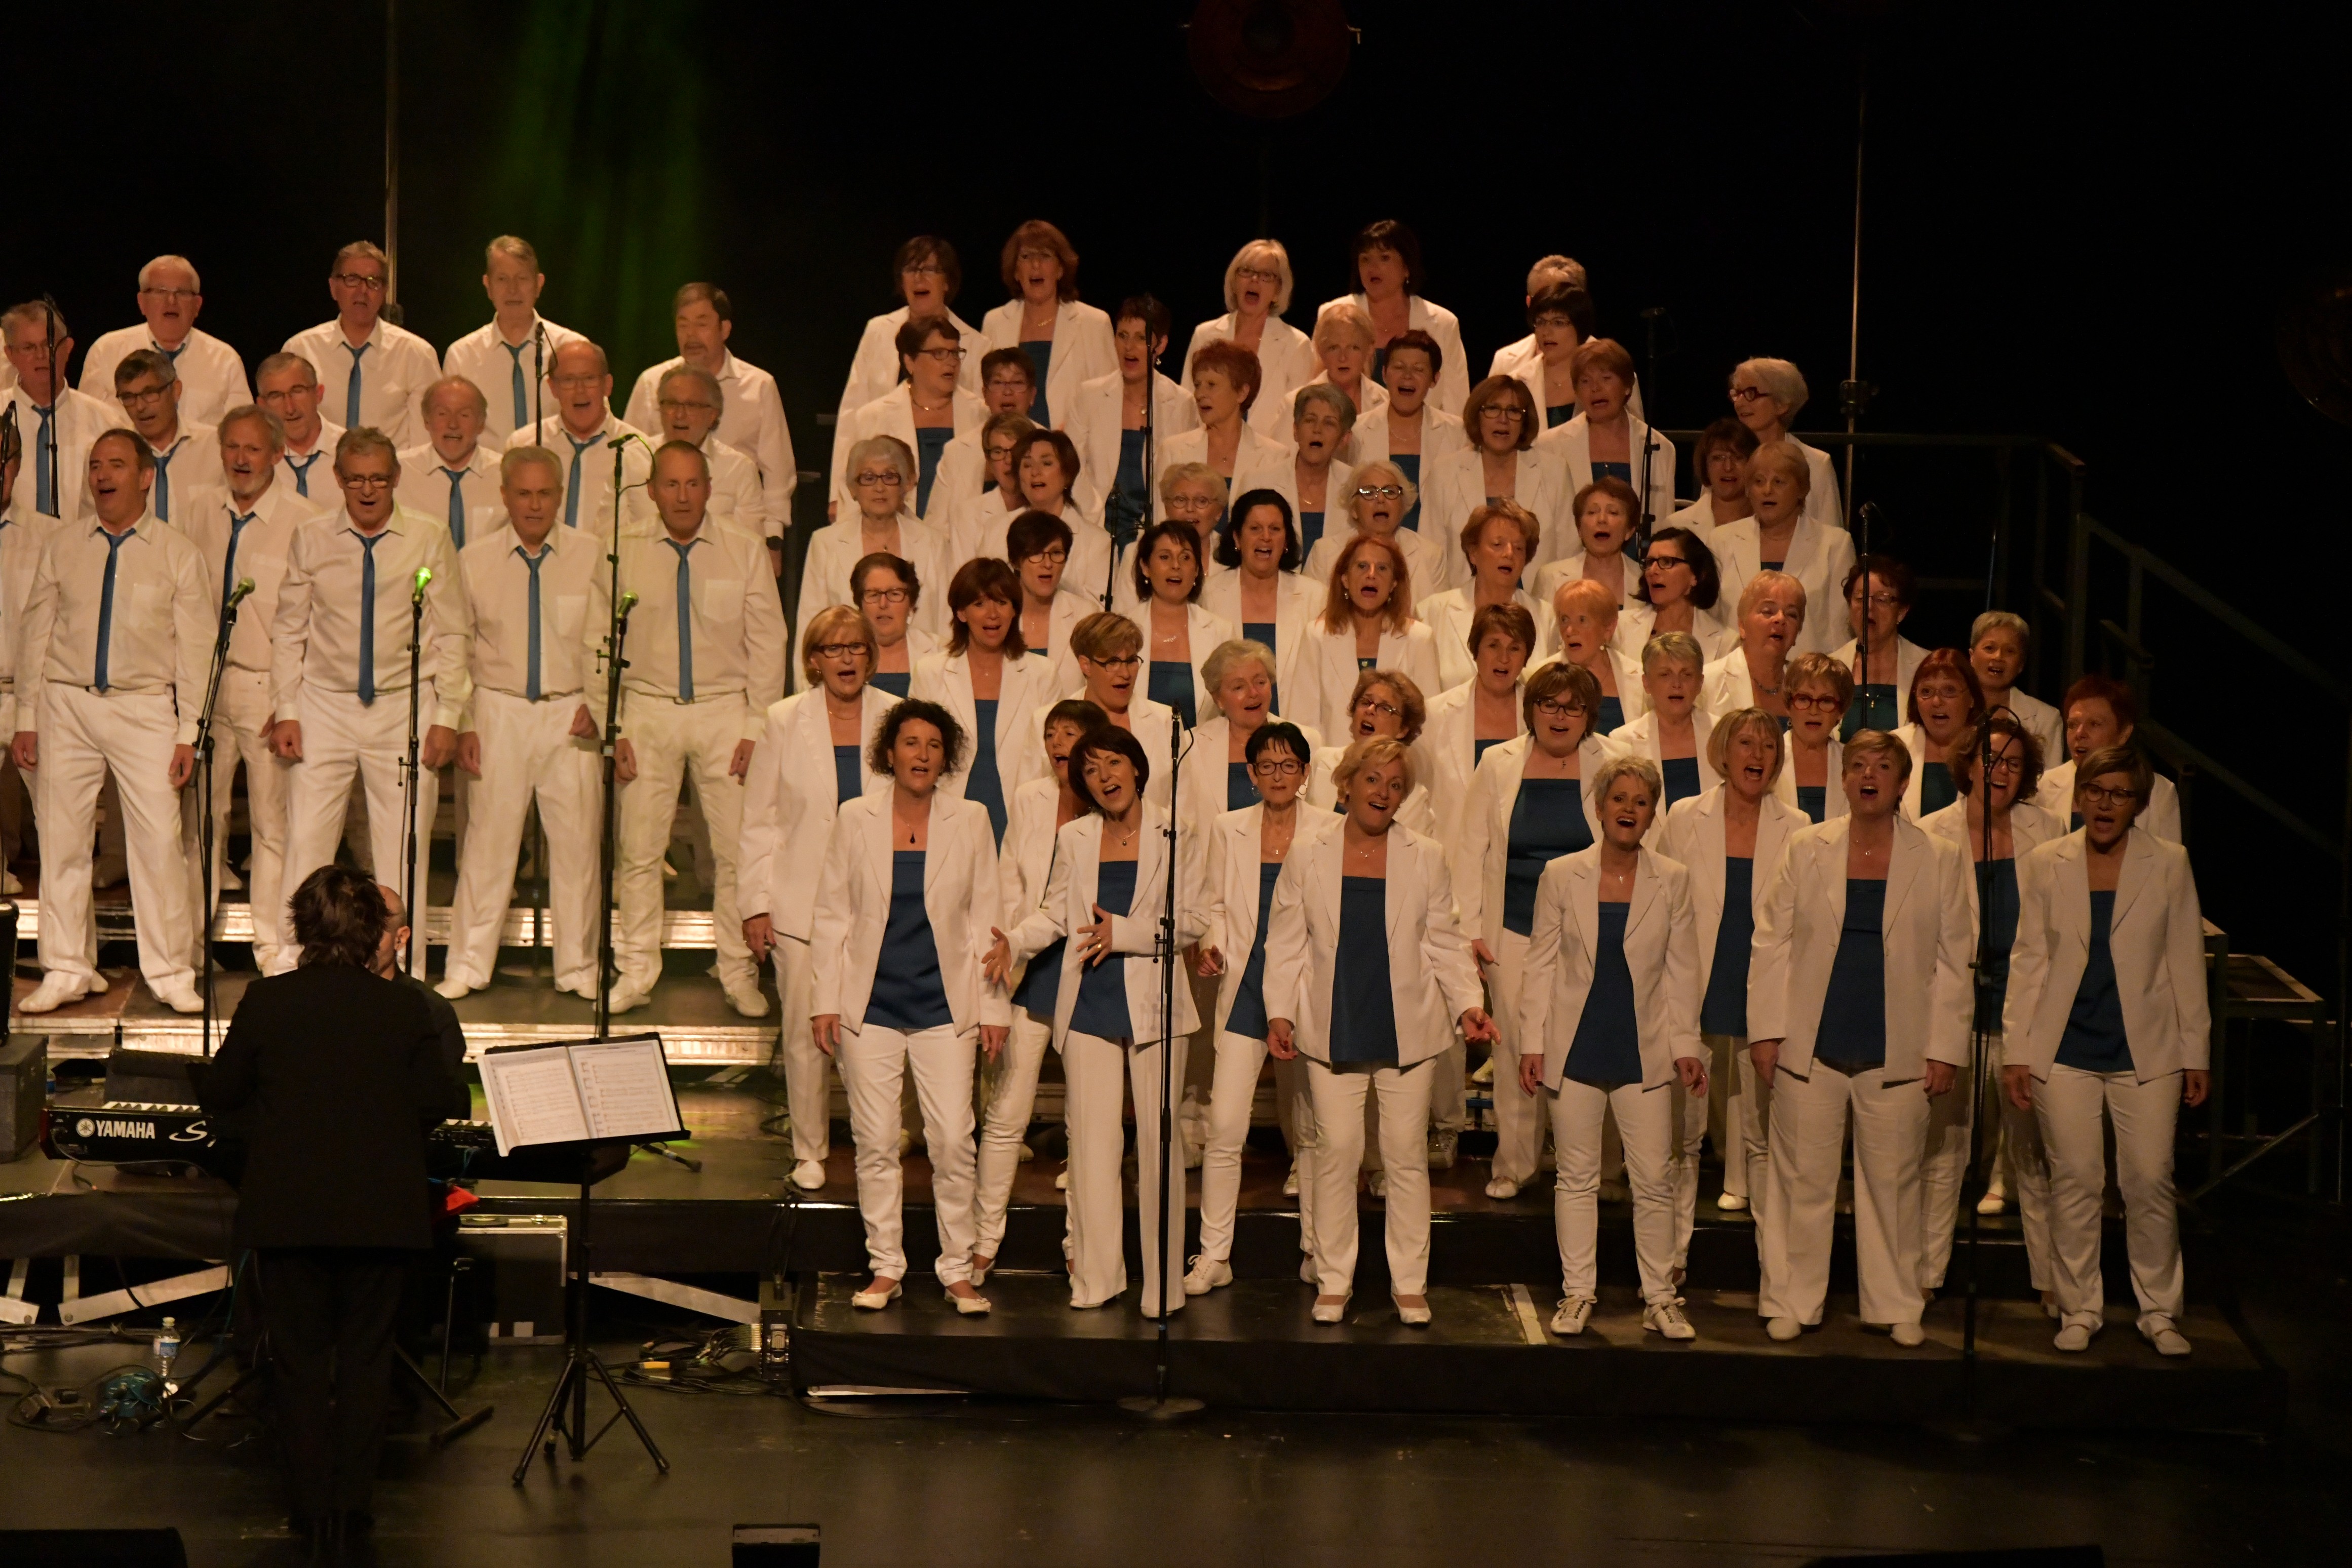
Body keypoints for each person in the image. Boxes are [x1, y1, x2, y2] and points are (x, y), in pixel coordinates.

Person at [200, 865, 455, 1550]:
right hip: (381, 1215)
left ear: (302, 927)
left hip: (292, 1214)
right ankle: (353, 1507)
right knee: (368, 1360)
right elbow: (440, 1100)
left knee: (300, 1362)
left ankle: (311, 1508)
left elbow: (222, 1093)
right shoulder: (404, 1008)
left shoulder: (267, 1001)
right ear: (375, 931)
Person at [1747, 728, 1973, 1347]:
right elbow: (1771, 941)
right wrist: (1766, 1032)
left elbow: (1956, 958)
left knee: (1893, 1183)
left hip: (1898, 1047)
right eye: (1858, 766)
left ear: (1903, 783)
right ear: (1843, 779)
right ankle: (1792, 1299)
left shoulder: (1939, 856)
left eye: (1882, 766)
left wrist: (1945, 1047)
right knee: (1802, 1179)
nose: (1869, 775)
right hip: (1811, 1044)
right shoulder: (1806, 847)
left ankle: (1895, 1303)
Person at [1264, 737, 1493, 1325]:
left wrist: (1468, 1003)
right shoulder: (1308, 853)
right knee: (1338, 1153)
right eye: (1373, 780)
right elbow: (1286, 942)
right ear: (1347, 785)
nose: (1384, 793)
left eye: (1395, 785)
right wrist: (1280, 1012)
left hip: (1406, 1029)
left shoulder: (1426, 855)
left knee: (1404, 1156)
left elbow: (1444, 941)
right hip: (1333, 1024)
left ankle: (1409, 1282)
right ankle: (1334, 1278)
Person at [985, 724, 1208, 1315]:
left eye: (1113, 762)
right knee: (1091, 1147)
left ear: (1136, 767)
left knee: (1158, 1147)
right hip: (1088, 999)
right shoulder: (1076, 836)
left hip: (1155, 1004)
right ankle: (1098, 1279)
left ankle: (1163, 1289)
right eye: (1091, 769)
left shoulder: (1177, 831)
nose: (1105, 776)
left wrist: (1125, 934)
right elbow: (1056, 913)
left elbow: (1194, 919)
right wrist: (1016, 941)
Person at [2003, 746, 2209, 1357]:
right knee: (2075, 1180)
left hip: (2146, 1050)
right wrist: (2017, 1050)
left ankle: (2159, 1311)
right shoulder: (2048, 861)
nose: (2105, 804)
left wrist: (2196, 1052)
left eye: (2119, 794)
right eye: (2095, 791)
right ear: (2079, 797)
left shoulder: (2168, 863)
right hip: (2064, 1047)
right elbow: (2029, 958)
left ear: (2138, 804)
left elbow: (2184, 960)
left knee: (2148, 1179)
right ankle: (2080, 1307)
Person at [811, 699, 1007, 1314]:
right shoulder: (855, 816)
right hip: (869, 1004)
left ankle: (957, 1268)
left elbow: (988, 917)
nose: (922, 755)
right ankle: (886, 1266)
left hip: (945, 1005)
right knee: (874, 1142)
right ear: (889, 753)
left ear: (946, 758)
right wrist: (824, 1001)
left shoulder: (971, 818)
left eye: (933, 745)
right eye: (911, 743)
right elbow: (832, 914)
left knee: (952, 1140)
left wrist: (994, 1010)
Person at [13, 430, 211, 1013]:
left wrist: (189, 732)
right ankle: (67, 968)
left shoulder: (178, 553)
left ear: (146, 477)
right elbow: (36, 633)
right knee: (62, 841)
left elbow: (196, 651)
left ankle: (171, 971)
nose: (102, 474)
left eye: (117, 464)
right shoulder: (64, 545)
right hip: (66, 703)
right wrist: (27, 716)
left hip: (144, 706)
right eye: (96, 465)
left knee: (158, 844)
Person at [1518, 753, 1705, 1339]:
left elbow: (1682, 970)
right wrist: (1532, 1042)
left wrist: (1686, 1045)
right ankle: (1578, 1293)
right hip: (1574, 1046)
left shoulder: (1672, 879)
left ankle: (1660, 1297)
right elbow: (1541, 963)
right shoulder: (1561, 875)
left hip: (1642, 1048)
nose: (1629, 809)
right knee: (1576, 1178)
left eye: (1641, 801)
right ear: (1600, 808)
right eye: (1619, 799)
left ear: (1652, 814)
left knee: (1653, 1179)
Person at [268, 428, 466, 979]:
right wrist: (286, 709)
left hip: (403, 706)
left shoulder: (428, 537)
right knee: (307, 842)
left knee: (403, 849)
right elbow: (289, 629)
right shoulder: (312, 537)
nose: (368, 490)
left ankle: (406, 971)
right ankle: (296, 967)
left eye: (379, 478)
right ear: (338, 479)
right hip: (324, 705)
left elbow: (453, 631)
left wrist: (448, 715)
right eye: (356, 479)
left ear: (397, 477)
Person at [601, 441, 788, 1014]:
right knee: (639, 851)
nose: (682, 496)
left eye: (692, 484)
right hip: (647, 708)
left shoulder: (743, 547)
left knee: (735, 852)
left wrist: (756, 726)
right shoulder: (623, 550)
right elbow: (598, 640)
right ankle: (636, 970)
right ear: (652, 490)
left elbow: (769, 640)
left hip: (724, 709)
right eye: (671, 484)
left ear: (709, 487)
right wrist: (614, 724)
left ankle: (738, 971)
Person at [436, 447, 604, 1001]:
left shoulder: (591, 555)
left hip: (571, 712)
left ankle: (578, 966)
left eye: (545, 493)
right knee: (487, 845)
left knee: (577, 848)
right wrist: (463, 721)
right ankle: (468, 964)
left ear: (560, 496)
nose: (535, 505)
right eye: (524, 494)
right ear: (505, 496)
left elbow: (606, 638)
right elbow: (456, 643)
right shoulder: (474, 558)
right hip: (498, 709)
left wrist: (600, 705)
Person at [741, 607, 894, 1191]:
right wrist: (755, 904)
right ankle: (810, 1148)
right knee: (807, 1035)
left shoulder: (896, 715)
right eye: (834, 649)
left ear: (870, 656)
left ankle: (880, 1141)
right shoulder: (784, 719)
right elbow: (761, 817)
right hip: (800, 902)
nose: (846, 658)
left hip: (875, 901)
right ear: (814, 660)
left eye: (856, 647)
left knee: (874, 1030)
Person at [1919, 712, 2062, 1305]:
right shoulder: (1931, 832)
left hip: (2023, 1013)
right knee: (1944, 1150)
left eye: (2013, 763)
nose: (1999, 771)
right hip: (1955, 1012)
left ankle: (2053, 1283)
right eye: (1990, 759)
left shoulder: (2047, 830)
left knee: (2032, 1153)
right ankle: (1925, 1276)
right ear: (1968, 764)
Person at [1454, 661, 1611, 1198]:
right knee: (1516, 1048)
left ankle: (1594, 1169)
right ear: (1531, 709)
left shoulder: (1611, 761)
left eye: (1573, 707)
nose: (1560, 716)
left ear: (1589, 715)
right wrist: (1472, 928)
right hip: (1514, 928)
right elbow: (1471, 848)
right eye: (1549, 704)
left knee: (1590, 1042)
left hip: (1589, 930)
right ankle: (1515, 1165)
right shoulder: (1498, 763)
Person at [182, 406, 323, 971]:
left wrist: (289, 699)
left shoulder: (304, 521)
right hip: (206, 684)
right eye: (232, 447)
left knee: (272, 826)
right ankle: (191, 948)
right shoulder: (198, 510)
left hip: (268, 687)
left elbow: (314, 619)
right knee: (201, 823)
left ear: (277, 455)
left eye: (253, 449)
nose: (241, 459)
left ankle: (273, 949)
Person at [970, 698, 1106, 1276]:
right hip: (1029, 966)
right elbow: (1008, 877)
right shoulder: (1030, 798)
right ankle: (983, 1240)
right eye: (1051, 733)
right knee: (1006, 1114)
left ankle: (1081, 1246)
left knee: (1086, 1123)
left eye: (1069, 733)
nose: (1057, 743)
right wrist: (1006, 949)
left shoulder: (1113, 805)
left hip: (1088, 970)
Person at [1190, 720, 1325, 1292]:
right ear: (1251, 773)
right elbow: (1216, 902)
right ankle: (1214, 1254)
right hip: (1246, 986)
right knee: (1224, 1126)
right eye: (1267, 766)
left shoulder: (1329, 829)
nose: (1278, 775)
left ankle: (1318, 1250)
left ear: (1305, 772)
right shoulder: (1229, 828)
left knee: (1311, 1130)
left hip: (1305, 991)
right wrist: (1212, 944)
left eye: (1288, 765)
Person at [1658, 708, 1800, 1234]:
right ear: (1723, 751)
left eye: (1768, 746)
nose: (1757, 755)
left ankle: (1770, 1256)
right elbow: (1662, 901)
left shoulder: (1799, 827)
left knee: (1761, 1130)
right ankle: (1673, 1252)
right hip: (1696, 981)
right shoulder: (1684, 816)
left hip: (1762, 985)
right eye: (1746, 743)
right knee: (1685, 1131)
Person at [623, 282, 797, 525]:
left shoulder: (759, 386)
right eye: (683, 325)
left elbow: (778, 473)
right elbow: (632, 456)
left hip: (735, 521)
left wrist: (773, 535)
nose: (691, 335)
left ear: (725, 329)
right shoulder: (652, 382)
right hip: (660, 521)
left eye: (701, 324)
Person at [912, 558, 1057, 843]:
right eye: (980, 604)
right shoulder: (930, 672)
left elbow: (1051, 754)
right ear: (961, 613)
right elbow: (918, 749)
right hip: (949, 811)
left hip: (1020, 814)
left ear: (1014, 610)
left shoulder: (1043, 673)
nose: (993, 615)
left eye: (1002, 603)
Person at [798, 437, 953, 665]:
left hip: (923, 672)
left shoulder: (934, 543)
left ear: (904, 485)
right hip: (847, 673)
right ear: (853, 488)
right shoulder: (825, 543)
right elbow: (810, 626)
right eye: (868, 478)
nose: (880, 488)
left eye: (890, 477)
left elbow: (947, 622)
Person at [283, 242, 441, 448]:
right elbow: (282, 429)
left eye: (373, 282)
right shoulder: (300, 350)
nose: (363, 290)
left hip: (392, 468)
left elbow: (425, 444)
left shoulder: (416, 354)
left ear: (384, 292)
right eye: (352, 280)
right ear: (333, 288)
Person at [1709, 440, 1856, 658]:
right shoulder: (1721, 541)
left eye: (1779, 482)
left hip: (1808, 673)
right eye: (1759, 481)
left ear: (1802, 489)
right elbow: (1712, 623)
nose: (1767, 490)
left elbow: (1841, 631)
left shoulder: (1835, 545)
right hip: (1736, 670)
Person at [1287, 534, 1439, 743]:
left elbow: (1426, 728)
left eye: (1382, 568)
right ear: (1345, 579)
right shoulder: (1316, 636)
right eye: (1362, 566)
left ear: (1394, 584)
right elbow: (1303, 724)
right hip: (1331, 762)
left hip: (1395, 762)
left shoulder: (1419, 639)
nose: (1371, 575)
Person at [1065, 295, 1199, 529]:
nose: (1129, 347)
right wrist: (1093, 523)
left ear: (1161, 345)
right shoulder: (1089, 396)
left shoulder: (1181, 403)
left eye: (1141, 338)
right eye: (1123, 336)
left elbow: (1184, 478)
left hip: (1157, 529)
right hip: (1094, 524)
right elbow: (1072, 467)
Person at [833, 318, 986, 523]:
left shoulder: (980, 413)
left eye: (955, 353)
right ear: (910, 361)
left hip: (962, 532)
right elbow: (852, 490)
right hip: (893, 533)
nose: (952, 362)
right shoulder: (873, 417)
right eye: (939, 353)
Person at [439, 236, 585, 447]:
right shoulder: (463, 355)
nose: (513, 289)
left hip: (557, 466)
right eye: (502, 279)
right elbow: (450, 432)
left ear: (539, 284)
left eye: (522, 279)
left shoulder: (571, 349)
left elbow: (595, 421)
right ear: (488, 286)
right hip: (489, 468)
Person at [1421, 375, 1563, 589]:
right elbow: (1431, 556)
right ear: (1477, 416)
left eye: (1514, 411)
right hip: (1462, 602)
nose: (1503, 419)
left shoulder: (1555, 471)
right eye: (1493, 409)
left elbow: (1567, 552)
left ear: (1525, 421)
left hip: (1537, 601)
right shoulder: (1445, 472)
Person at [80, 254, 253, 426]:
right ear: (142, 303)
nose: (171, 301)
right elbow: (86, 423)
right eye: (160, 292)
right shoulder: (106, 351)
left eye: (182, 293)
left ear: (198, 305)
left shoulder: (226, 360)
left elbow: (244, 429)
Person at [1318, 219, 1470, 412]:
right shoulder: (1333, 313)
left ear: (1407, 267)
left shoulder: (1443, 323)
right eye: (1365, 259)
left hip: (1423, 430)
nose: (1372, 268)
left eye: (1384, 258)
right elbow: (1316, 386)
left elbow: (1457, 402)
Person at [976, 220, 1117, 429]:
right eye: (1026, 257)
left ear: (1060, 270)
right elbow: (983, 394)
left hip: (1073, 444)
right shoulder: (995, 322)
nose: (1036, 265)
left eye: (1045, 256)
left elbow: (1109, 397)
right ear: (1016, 271)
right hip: (1010, 443)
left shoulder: (1094, 323)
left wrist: (1066, 436)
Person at [1536, 339, 1677, 546]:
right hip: (1573, 562)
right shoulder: (1550, 446)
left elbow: (1664, 521)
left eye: (1606, 378)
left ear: (1627, 386)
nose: (1596, 388)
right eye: (1585, 381)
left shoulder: (1660, 447)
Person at [506, 339, 652, 533]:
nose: (580, 390)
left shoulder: (639, 449)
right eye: (568, 380)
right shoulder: (525, 445)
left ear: (608, 385)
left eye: (589, 379)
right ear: (553, 388)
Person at [1036, 612, 1178, 810]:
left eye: (1131, 661)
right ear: (1086, 665)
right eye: (1112, 662)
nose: (1125, 673)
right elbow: (1032, 802)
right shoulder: (1045, 721)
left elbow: (1184, 808)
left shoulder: (1167, 721)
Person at [837, 236, 992, 416]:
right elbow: (853, 407)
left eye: (929, 270)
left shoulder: (978, 346)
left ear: (947, 282)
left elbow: (980, 415)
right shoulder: (877, 330)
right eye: (910, 270)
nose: (919, 278)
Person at [1419, 604, 1535, 843]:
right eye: (1494, 645)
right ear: (1475, 650)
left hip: (1516, 852)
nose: (1504, 658)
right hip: (1450, 851)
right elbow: (1416, 797)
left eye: (1514, 648)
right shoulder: (1435, 714)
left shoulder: (1540, 716)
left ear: (1526, 657)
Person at [1200, 488, 1325, 705]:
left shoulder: (1316, 597)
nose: (1266, 537)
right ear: (1237, 538)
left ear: (1286, 541)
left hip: (1296, 721)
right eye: (1255, 528)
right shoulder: (1208, 594)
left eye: (1275, 529)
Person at [1180, 638, 1322, 827]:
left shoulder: (1306, 739)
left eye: (1260, 682)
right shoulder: (1191, 745)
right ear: (1218, 699)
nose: (1253, 693)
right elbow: (1183, 821)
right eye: (1239, 687)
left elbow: (1318, 817)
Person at [1110, 521, 1233, 729]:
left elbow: (1231, 708)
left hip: (1202, 748)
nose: (1176, 566)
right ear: (1145, 567)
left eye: (1185, 558)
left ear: (1196, 570)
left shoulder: (1221, 632)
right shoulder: (1119, 631)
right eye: (1165, 557)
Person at [1181, 240, 1318, 424]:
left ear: (1278, 291)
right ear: (1234, 282)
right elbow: (1187, 406)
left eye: (1266, 275)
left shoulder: (1297, 345)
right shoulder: (1204, 334)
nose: (1254, 279)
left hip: (1270, 443)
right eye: (1246, 271)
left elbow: (1298, 417)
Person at [2032, 673, 2183, 841]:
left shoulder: (2159, 791)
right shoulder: (2044, 786)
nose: (2079, 734)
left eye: (2094, 724)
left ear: (2124, 734)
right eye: (2073, 725)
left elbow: (2169, 856)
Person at [1418, 501, 1548, 694]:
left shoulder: (1547, 617)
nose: (1509, 554)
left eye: (1519, 548)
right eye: (1498, 545)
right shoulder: (1431, 613)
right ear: (1473, 553)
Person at [4, 302, 116, 525]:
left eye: (49, 345)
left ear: (68, 347)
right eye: (28, 347)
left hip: (84, 544)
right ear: (10, 354)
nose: (41, 355)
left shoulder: (107, 422)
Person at [1156, 340, 1293, 522]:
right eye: (1197, 385)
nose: (1199, 394)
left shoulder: (1274, 457)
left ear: (1242, 393)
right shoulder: (1173, 450)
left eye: (1211, 385)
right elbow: (1159, 520)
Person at [641, 364, 769, 538]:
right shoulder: (631, 459)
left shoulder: (739, 470)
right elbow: (614, 539)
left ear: (712, 415)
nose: (679, 415)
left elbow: (751, 545)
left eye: (691, 406)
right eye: (671, 404)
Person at [1256, 302, 1387, 461]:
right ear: (1320, 350)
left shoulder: (1385, 403)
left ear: (1369, 350)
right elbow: (1281, 465)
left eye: (1354, 348)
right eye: (1334, 348)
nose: (1343, 358)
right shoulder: (1294, 404)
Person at [1728, 357, 1843, 531]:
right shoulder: (1724, 459)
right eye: (1737, 393)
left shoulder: (1816, 463)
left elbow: (1832, 535)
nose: (1739, 403)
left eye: (1751, 393)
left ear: (1782, 404)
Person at [1303, 459, 1444, 598]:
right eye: (1369, 493)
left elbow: (1440, 611)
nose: (1381, 499)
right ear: (1354, 509)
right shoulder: (1324, 554)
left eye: (1390, 492)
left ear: (1402, 506)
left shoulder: (1430, 555)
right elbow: (1310, 608)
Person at [1606, 633, 1717, 808]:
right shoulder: (1623, 742)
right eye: (1665, 675)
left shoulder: (1723, 735)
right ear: (1646, 683)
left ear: (1700, 682)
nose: (1677, 684)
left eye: (1687, 675)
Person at [112, 347, 222, 523]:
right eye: (128, 397)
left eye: (150, 394)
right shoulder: (113, 456)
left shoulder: (216, 446)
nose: (140, 407)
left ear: (176, 391)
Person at [393, 375, 501, 548]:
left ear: (481, 424)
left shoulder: (505, 475)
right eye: (442, 414)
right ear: (426, 421)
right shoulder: (398, 472)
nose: (453, 424)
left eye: (464, 415)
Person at [1834, 555, 1930, 736]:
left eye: (1881, 599)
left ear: (1901, 612)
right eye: (1860, 598)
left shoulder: (1925, 667)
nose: (1868, 607)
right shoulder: (1831, 666)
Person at [1699, 570, 1806, 727]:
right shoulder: (1707, 682)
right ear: (1742, 625)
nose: (1781, 619)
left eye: (1791, 615)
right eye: (1768, 611)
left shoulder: (1806, 686)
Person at [1617, 524, 1735, 661]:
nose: (1652, 571)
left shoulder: (1726, 643)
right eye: (1650, 562)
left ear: (1696, 576)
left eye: (1667, 562)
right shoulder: (1620, 627)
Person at [1544, 578, 1645, 738]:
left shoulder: (1640, 677)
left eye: (1582, 620)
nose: (1569, 631)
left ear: (1608, 628)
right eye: (1564, 619)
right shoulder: (1539, 676)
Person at [1532, 476, 1644, 618]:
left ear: (1629, 531)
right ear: (1579, 529)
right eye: (1592, 512)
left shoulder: (1644, 579)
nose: (1602, 519)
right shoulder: (1550, 577)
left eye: (1613, 512)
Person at [1006, 508, 1093, 691]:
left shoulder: (1085, 615)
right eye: (1037, 553)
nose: (1048, 564)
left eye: (1056, 553)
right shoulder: (998, 616)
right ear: (1015, 561)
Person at [939, 403, 1037, 564]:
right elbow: (964, 574)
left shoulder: (1048, 507)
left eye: (1016, 450)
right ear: (989, 461)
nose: (1009, 460)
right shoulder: (968, 515)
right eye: (998, 452)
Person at [1895, 649, 1986, 819]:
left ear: (1972, 698)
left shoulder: (1991, 748)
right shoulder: (1894, 747)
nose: (1937, 702)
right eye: (1926, 692)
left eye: (1949, 691)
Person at [1268, 384, 1357, 556]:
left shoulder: (1355, 487)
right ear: (1296, 430)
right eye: (1310, 420)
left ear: (1344, 439)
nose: (1317, 430)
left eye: (1329, 423)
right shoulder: (1260, 483)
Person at [1966, 610, 2064, 764]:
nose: (1998, 657)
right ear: (1972, 656)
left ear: (2021, 664)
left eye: (2010, 651)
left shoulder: (2046, 718)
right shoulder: (1950, 707)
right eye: (1990, 648)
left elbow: (2049, 777)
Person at [255, 351, 345, 502]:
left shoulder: (350, 450)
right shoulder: (255, 460)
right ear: (262, 405)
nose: (290, 408)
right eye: (276, 396)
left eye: (297, 392)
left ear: (318, 394)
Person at [1487, 255, 1590, 387]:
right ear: (1529, 303)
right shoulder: (1505, 360)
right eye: (1542, 300)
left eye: (1562, 301)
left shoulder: (1608, 361)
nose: (1550, 308)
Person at [1775, 651, 1853, 823]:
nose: (1814, 711)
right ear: (1788, 706)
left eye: (1826, 701)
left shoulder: (1853, 763)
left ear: (1841, 711)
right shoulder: (1768, 759)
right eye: (1804, 699)